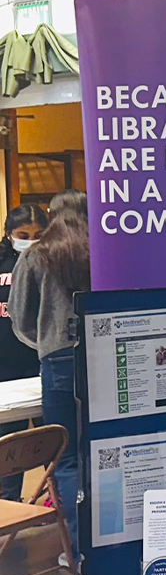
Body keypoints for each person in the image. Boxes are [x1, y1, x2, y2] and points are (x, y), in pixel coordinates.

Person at [9, 189, 91, 566]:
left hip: (57, 361)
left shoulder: (36, 255)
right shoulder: (102, 251)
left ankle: (75, 549)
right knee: (106, 453)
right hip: (104, 358)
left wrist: (44, 343)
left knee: (67, 457)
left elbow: (20, 317)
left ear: (52, 216)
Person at [0, 204, 49, 502]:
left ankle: (54, 498)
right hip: (5, 364)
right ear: (8, 234)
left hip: (41, 360)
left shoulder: (51, 260)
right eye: (23, 234)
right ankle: (8, 506)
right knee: (9, 444)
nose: (30, 240)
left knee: (51, 438)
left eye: (38, 234)